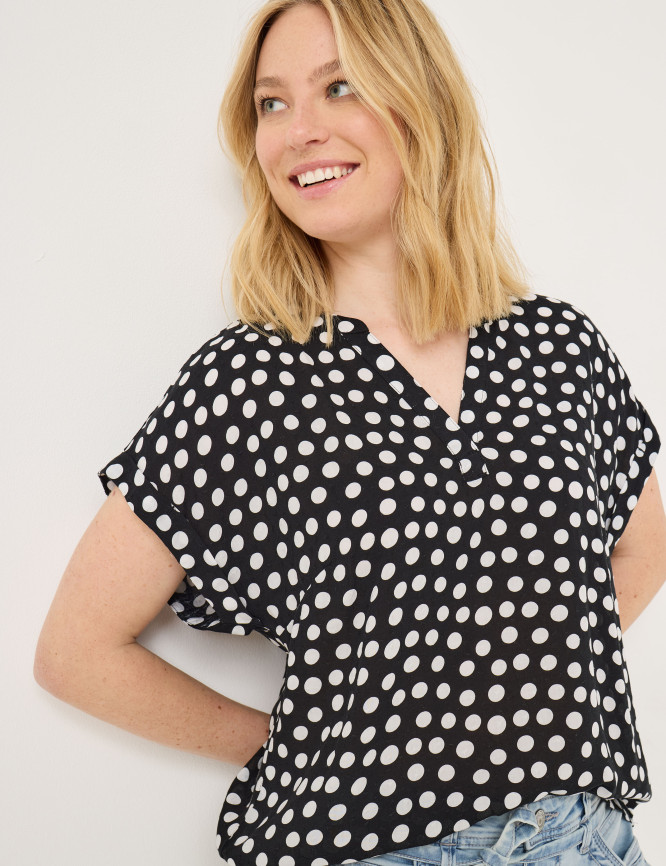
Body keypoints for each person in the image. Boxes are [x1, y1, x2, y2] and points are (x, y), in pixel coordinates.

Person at [34, 1, 666, 865]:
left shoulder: (559, 348)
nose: (300, 130)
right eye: (272, 103)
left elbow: (642, 549)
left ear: (422, 101)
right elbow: (75, 651)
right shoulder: (247, 383)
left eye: (340, 87)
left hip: (583, 841)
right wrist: (305, 748)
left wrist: (520, 685)